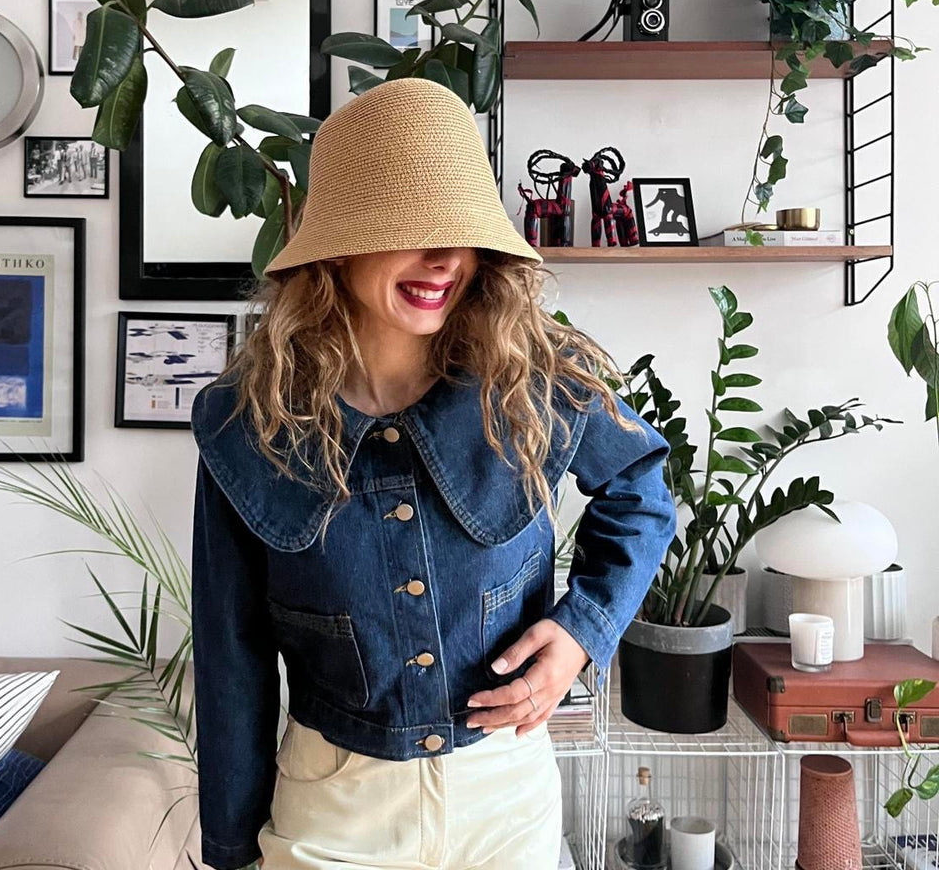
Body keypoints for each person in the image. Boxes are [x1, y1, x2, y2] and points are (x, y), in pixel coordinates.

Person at [190, 77, 678, 870]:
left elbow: (640, 491)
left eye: (461, 230)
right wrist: (230, 847)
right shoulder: (248, 423)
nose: (445, 257)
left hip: (503, 790)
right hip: (332, 802)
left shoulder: (538, 377)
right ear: (339, 242)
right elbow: (229, 650)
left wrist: (580, 633)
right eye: (409, 227)